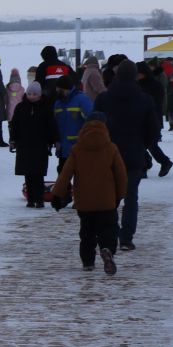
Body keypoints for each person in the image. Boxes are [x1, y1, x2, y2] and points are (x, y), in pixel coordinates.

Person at [90, 62, 160, 251]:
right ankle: (126, 237)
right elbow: (153, 130)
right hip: (133, 155)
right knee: (131, 197)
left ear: (116, 75)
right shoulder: (145, 100)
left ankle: (110, 232)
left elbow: (94, 126)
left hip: (107, 154)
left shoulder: (104, 99)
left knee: (109, 197)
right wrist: (142, 145)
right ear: (135, 77)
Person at [51, 115, 129, 276]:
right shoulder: (111, 148)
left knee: (87, 232)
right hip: (107, 200)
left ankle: (88, 262)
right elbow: (121, 175)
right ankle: (107, 249)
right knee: (109, 228)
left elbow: (66, 173)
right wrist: (120, 195)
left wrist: (57, 195)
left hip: (84, 202)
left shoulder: (77, 149)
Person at [10, 80, 55, 207]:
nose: (32, 96)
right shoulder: (21, 107)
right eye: (29, 94)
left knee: (38, 173)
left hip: (40, 145)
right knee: (28, 174)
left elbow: (51, 125)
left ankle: (39, 199)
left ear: (40, 94)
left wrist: (53, 140)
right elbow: (14, 125)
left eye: (34, 94)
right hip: (24, 145)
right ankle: (31, 199)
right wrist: (13, 140)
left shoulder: (46, 108)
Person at [52, 75, 95, 164]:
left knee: (81, 176)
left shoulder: (82, 100)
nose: (58, 92)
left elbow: (92, 122)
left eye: (60, 90)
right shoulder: (58, 103)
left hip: (79, 149)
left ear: (67, 89)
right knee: (62, 175)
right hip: (63, 151)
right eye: (57, 90)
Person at [4, 67, 26, 140]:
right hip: (19, 111)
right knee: (19, 125)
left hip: (10, 110)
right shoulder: (22, 89)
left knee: (10, 125)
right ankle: (19, 138)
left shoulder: (7, 89)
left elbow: (5, 100)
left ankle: (11, 138)